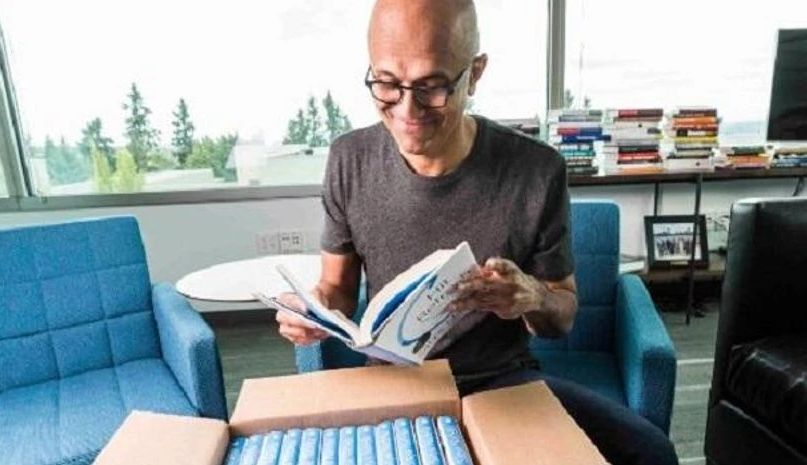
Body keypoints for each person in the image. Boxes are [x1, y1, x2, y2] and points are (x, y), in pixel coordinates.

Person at [275, 1, 679, 464]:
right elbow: (337, 289)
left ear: (476, 73)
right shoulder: (349, 160)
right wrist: (313, 311)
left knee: (652, 452)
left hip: (502, 381)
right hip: (395, 386)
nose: (407, 110)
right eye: (386, 83)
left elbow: (562, 315)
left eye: (432, 86)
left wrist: (530, 297)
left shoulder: (536, 170)